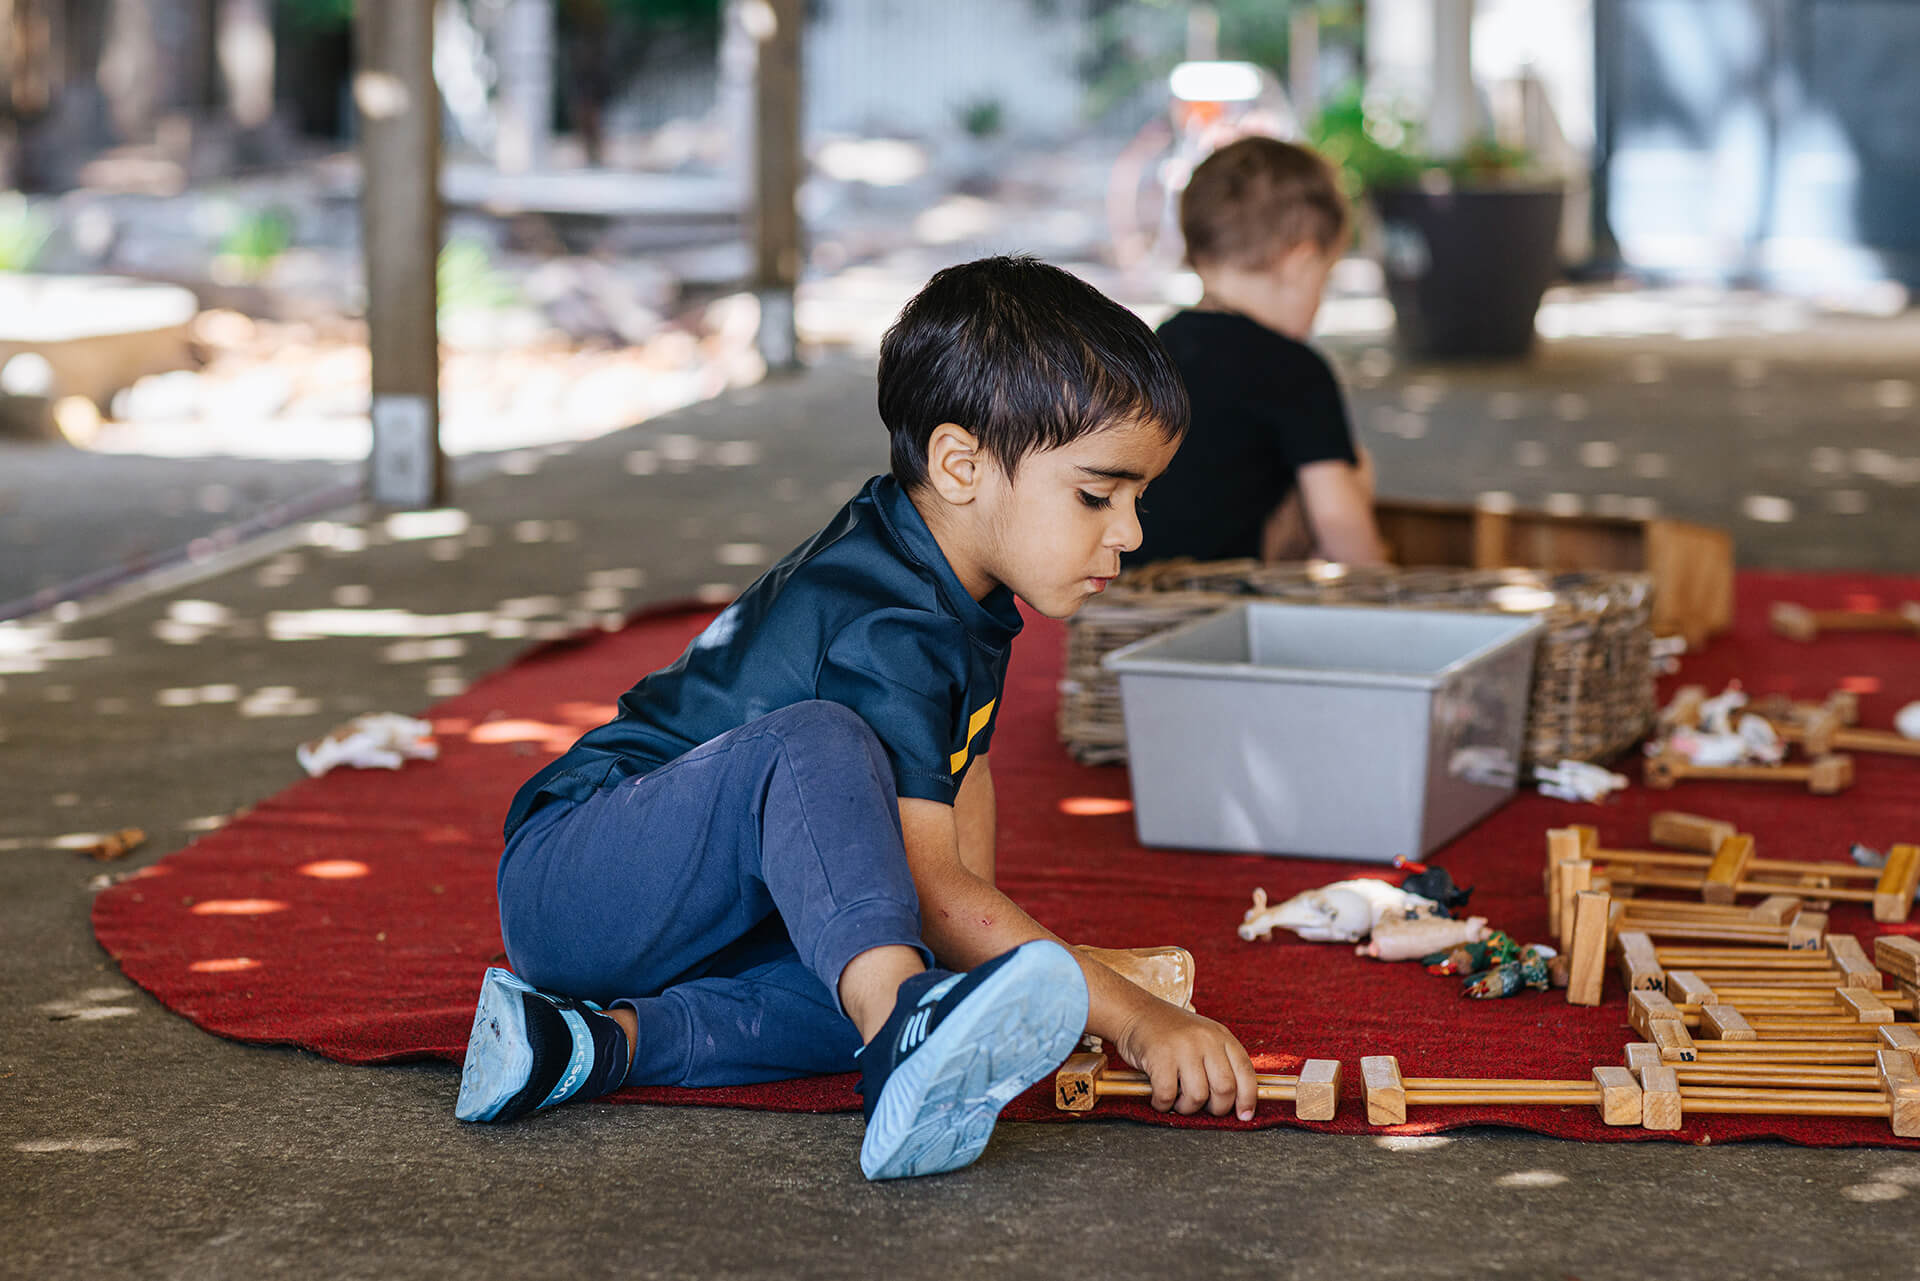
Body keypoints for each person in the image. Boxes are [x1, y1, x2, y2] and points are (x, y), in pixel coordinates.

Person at [454, 256, 1262, 1181]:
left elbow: (964, 785)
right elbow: (929, 884)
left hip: (681, 919)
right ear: (960, 464)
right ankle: (901, 1035)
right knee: (823, 755)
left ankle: (593, 1044)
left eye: (1137, 499)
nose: (1130, 532)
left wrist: (990, 974)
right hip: (577, 876)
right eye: (1097, 494)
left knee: (895, 960)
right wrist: (1133, 1017)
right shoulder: (887, 622)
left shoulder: (964, 579)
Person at [1127, 136, 1389, 568]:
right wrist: (1381, 583)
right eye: (1324, 279)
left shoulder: (1153, 345)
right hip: (1226, 597)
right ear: (1301, 265)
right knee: (1353, 467)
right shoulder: (1296, 369)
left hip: (1128, 587)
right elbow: (1339, 524)